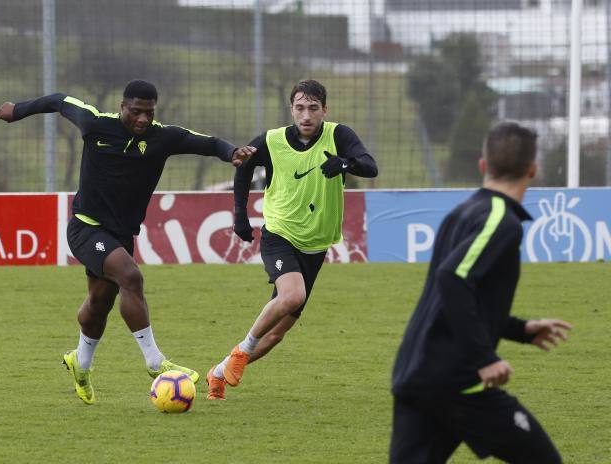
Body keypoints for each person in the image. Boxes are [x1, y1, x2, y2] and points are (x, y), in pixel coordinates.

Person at [0, 80, 255, 405]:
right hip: (85, 229)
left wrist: (232, 152)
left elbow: (207, 142)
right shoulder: (95, 123)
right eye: (136, 112)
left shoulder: (163, 137)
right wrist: (17, 111)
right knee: (131, 276)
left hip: (119, 236)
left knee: (98, 304)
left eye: (149, 113)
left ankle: (80, 361)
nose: (143, 119)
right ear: (122, 107)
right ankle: (155, 361)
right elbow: (59, 101)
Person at [389, 122, 572, 463]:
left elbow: (462, 297)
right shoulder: (501, 222)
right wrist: (484, 359)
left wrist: (518, 329)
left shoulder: (461, 213)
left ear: (483, 165)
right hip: (456, 383)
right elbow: (452, 280)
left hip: (415, 373)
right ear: (533, 170)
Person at [206, 79, 378, 400]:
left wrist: (346, 162)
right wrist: (240, 216)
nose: (306, 115)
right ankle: (242, 352)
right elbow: (242, 166)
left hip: (316, 245)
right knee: (292, 295)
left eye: (313, 108)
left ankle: (217, 372)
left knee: (275, 335)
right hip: (280, 234)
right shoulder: (272, 141)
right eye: (300, 108)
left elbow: (370, 166)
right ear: (292, 110)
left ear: (324, 110)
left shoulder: (339, 136)